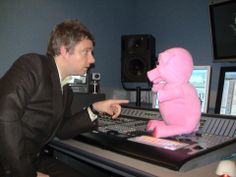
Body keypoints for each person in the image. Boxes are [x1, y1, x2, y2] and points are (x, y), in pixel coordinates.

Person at [0, 19, 129, 177]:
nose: (92, 59)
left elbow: (62, 130)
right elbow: (4, 116)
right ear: (64, 51)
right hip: (8, 163)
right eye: (86, 52)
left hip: (32, 160)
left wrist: (95, 109)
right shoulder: (32, 65)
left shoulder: (66, 90)